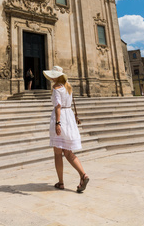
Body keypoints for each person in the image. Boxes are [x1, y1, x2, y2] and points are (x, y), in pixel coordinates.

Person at [43, 65, 89, 193]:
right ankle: (83, 175)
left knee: (58, 153)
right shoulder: (68, 86)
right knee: (68, 152)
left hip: (61, 117)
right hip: (69, 117)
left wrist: (58, 123)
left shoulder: (56, 88)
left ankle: (61, 182)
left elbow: (58, 106)